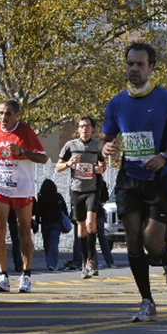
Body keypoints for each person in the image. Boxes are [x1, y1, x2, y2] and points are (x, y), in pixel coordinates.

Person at [101, 42, 167, 322]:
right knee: (132, 241)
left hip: (158, 179)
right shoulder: (116, 103)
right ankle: (147, 301)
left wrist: (164, 156)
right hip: (129, 178)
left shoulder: (166, 100)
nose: (134, 69)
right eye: (130, 64)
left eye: (140, 64)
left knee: (152, 241)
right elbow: (104, 139)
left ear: (151, 68)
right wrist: (104, 148)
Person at [0, 99, 47, 293]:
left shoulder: (26, 132)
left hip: (22, 187)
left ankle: (26, 274)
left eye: (8, 113)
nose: (3, 117)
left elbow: (43, 158)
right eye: (1, 113)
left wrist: (22, 151)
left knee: (23, 231)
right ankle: (2, 275)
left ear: (17, 115)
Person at [55, 115, 105, 279]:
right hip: (77, 190)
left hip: (93, 189)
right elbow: (58, 167)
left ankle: (91, 260)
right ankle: (84, 261)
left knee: (91, 223)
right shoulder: (70, 145)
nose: (85, 129)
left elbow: (102, 166)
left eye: (88, 126)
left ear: (92, 129)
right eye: (82, 126)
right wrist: (69, 163)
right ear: (78, 129)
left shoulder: (98, 146)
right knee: (81, 227)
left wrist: (99, 169)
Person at [33, 178, 67, 271]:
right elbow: (64, 209)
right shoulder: (58, 197)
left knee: (47, 244)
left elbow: (37, 211)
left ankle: (49, 260)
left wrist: (36, 223)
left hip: (45, 223)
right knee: (54, 244)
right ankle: (52, 263)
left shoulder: (41, 197)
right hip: (56, 223)